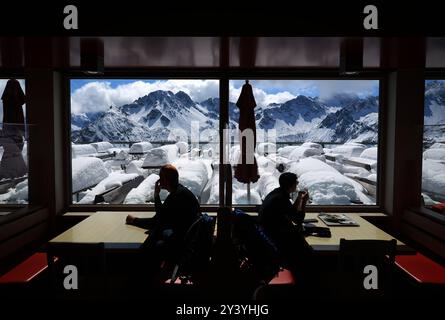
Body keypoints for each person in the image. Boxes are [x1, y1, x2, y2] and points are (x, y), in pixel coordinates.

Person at [126, 164, 201, 279]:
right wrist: (156, 195)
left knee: (149, 246)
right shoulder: (181, 192)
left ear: (165, 180)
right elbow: (161, 216)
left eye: (161, 177)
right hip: (187, 240)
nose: (159, 180)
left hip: (179, 245)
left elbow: (156, 221)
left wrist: (133, 220)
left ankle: (143, 280)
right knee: (154, 236)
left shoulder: (176, 197)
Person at [258, 172, 312, 281]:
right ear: (291, 185)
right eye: (296, 182)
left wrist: (299, 198)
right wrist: (304, 202)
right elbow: (298, 220)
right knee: (307, 249)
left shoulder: (277, 193)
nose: (297, 184)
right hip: (276, 238)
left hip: (267, 234)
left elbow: (290, 212)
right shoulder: (281, 198)